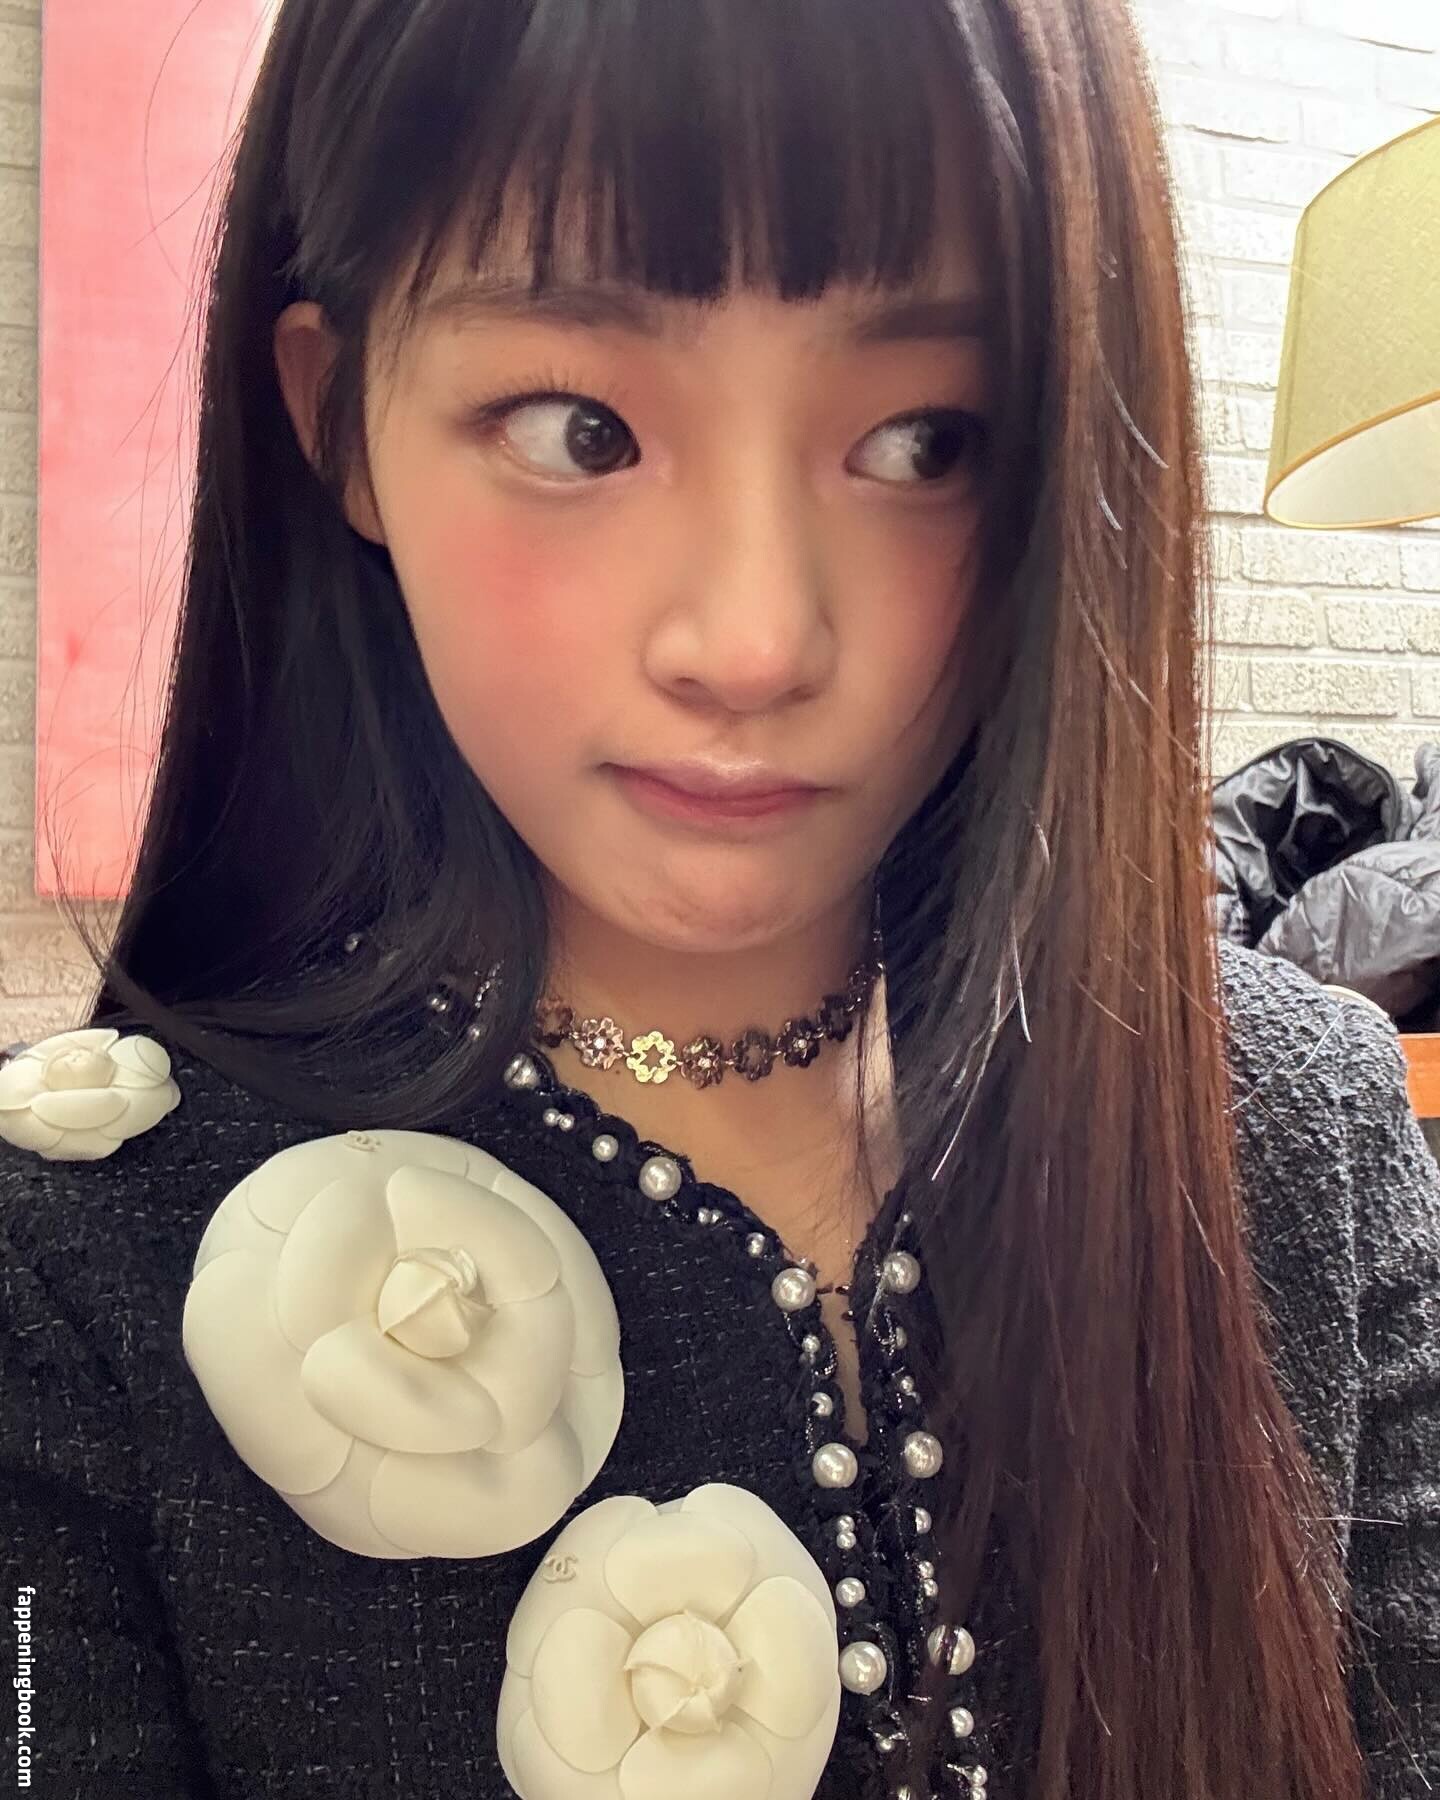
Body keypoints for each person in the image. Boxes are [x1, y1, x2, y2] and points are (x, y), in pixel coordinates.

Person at [1, 0, 1436, 1796]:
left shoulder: (1301, 1132)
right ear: (340, 421)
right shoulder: (76, 1287)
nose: (754, 641)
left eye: (924, 441)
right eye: (580, 429)